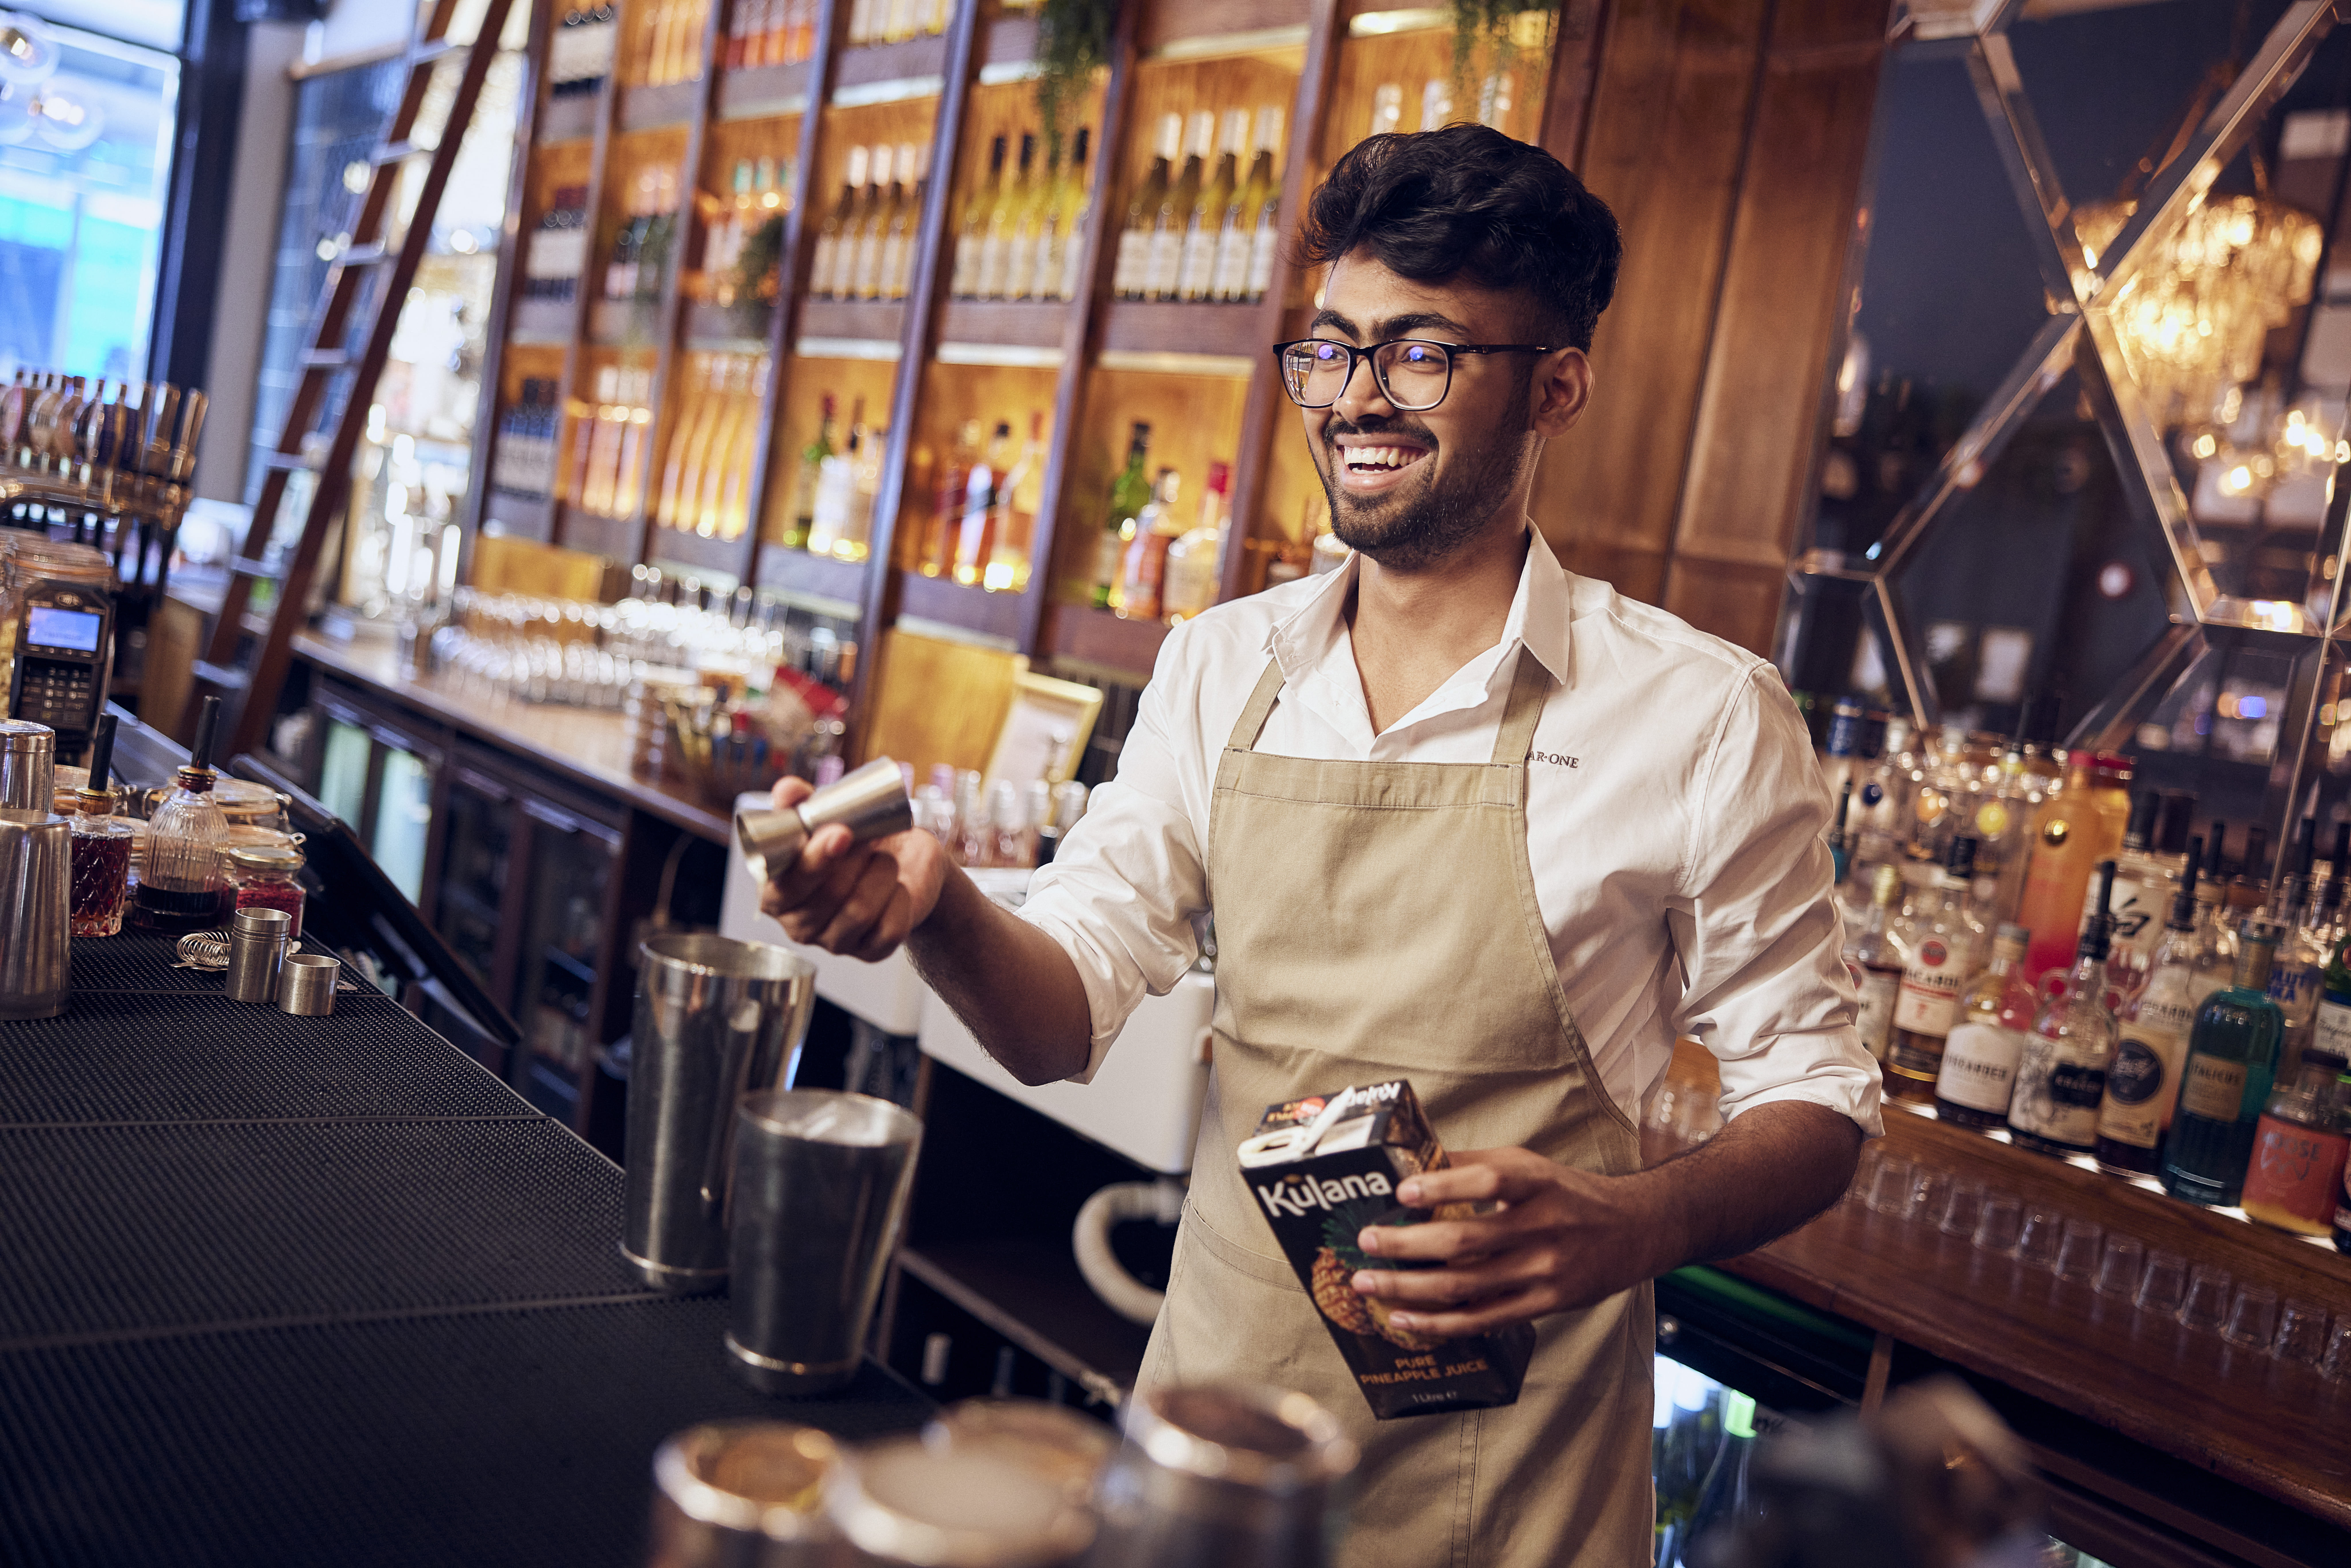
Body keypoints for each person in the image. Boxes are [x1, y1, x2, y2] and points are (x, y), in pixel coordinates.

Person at [759, 123, 1879, 1567]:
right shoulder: (1223, 664)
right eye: (1332, 348)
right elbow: (1063, 1012)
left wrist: (1629, 1225)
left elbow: (1817, 1100)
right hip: (1207, 1452)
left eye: (1420, 354)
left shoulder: (1699, 715)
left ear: (1557, 387)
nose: (1357, 398)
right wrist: (938, 909)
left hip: (1509, 1493)